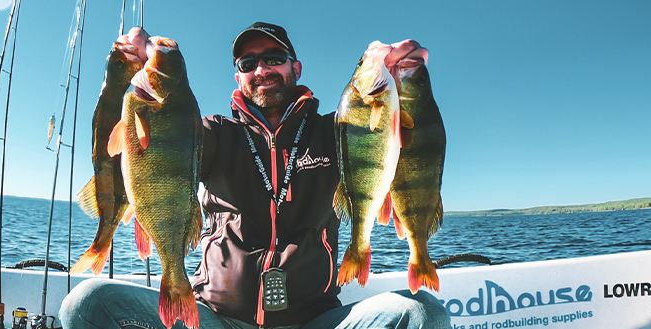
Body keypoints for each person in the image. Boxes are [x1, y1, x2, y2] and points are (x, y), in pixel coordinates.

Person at [60, 22, 449, 329]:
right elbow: (136, 150)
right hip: (213, 317)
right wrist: (122, 73)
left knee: (425, 314)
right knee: (87, 304)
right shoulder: (210, 133)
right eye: (248, 64)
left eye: (274, 58)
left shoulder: (339, 132)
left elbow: (403, 149)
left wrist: (404, 77)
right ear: (238, 79)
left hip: (317, 321)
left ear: (295, 68)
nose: (261, 69)